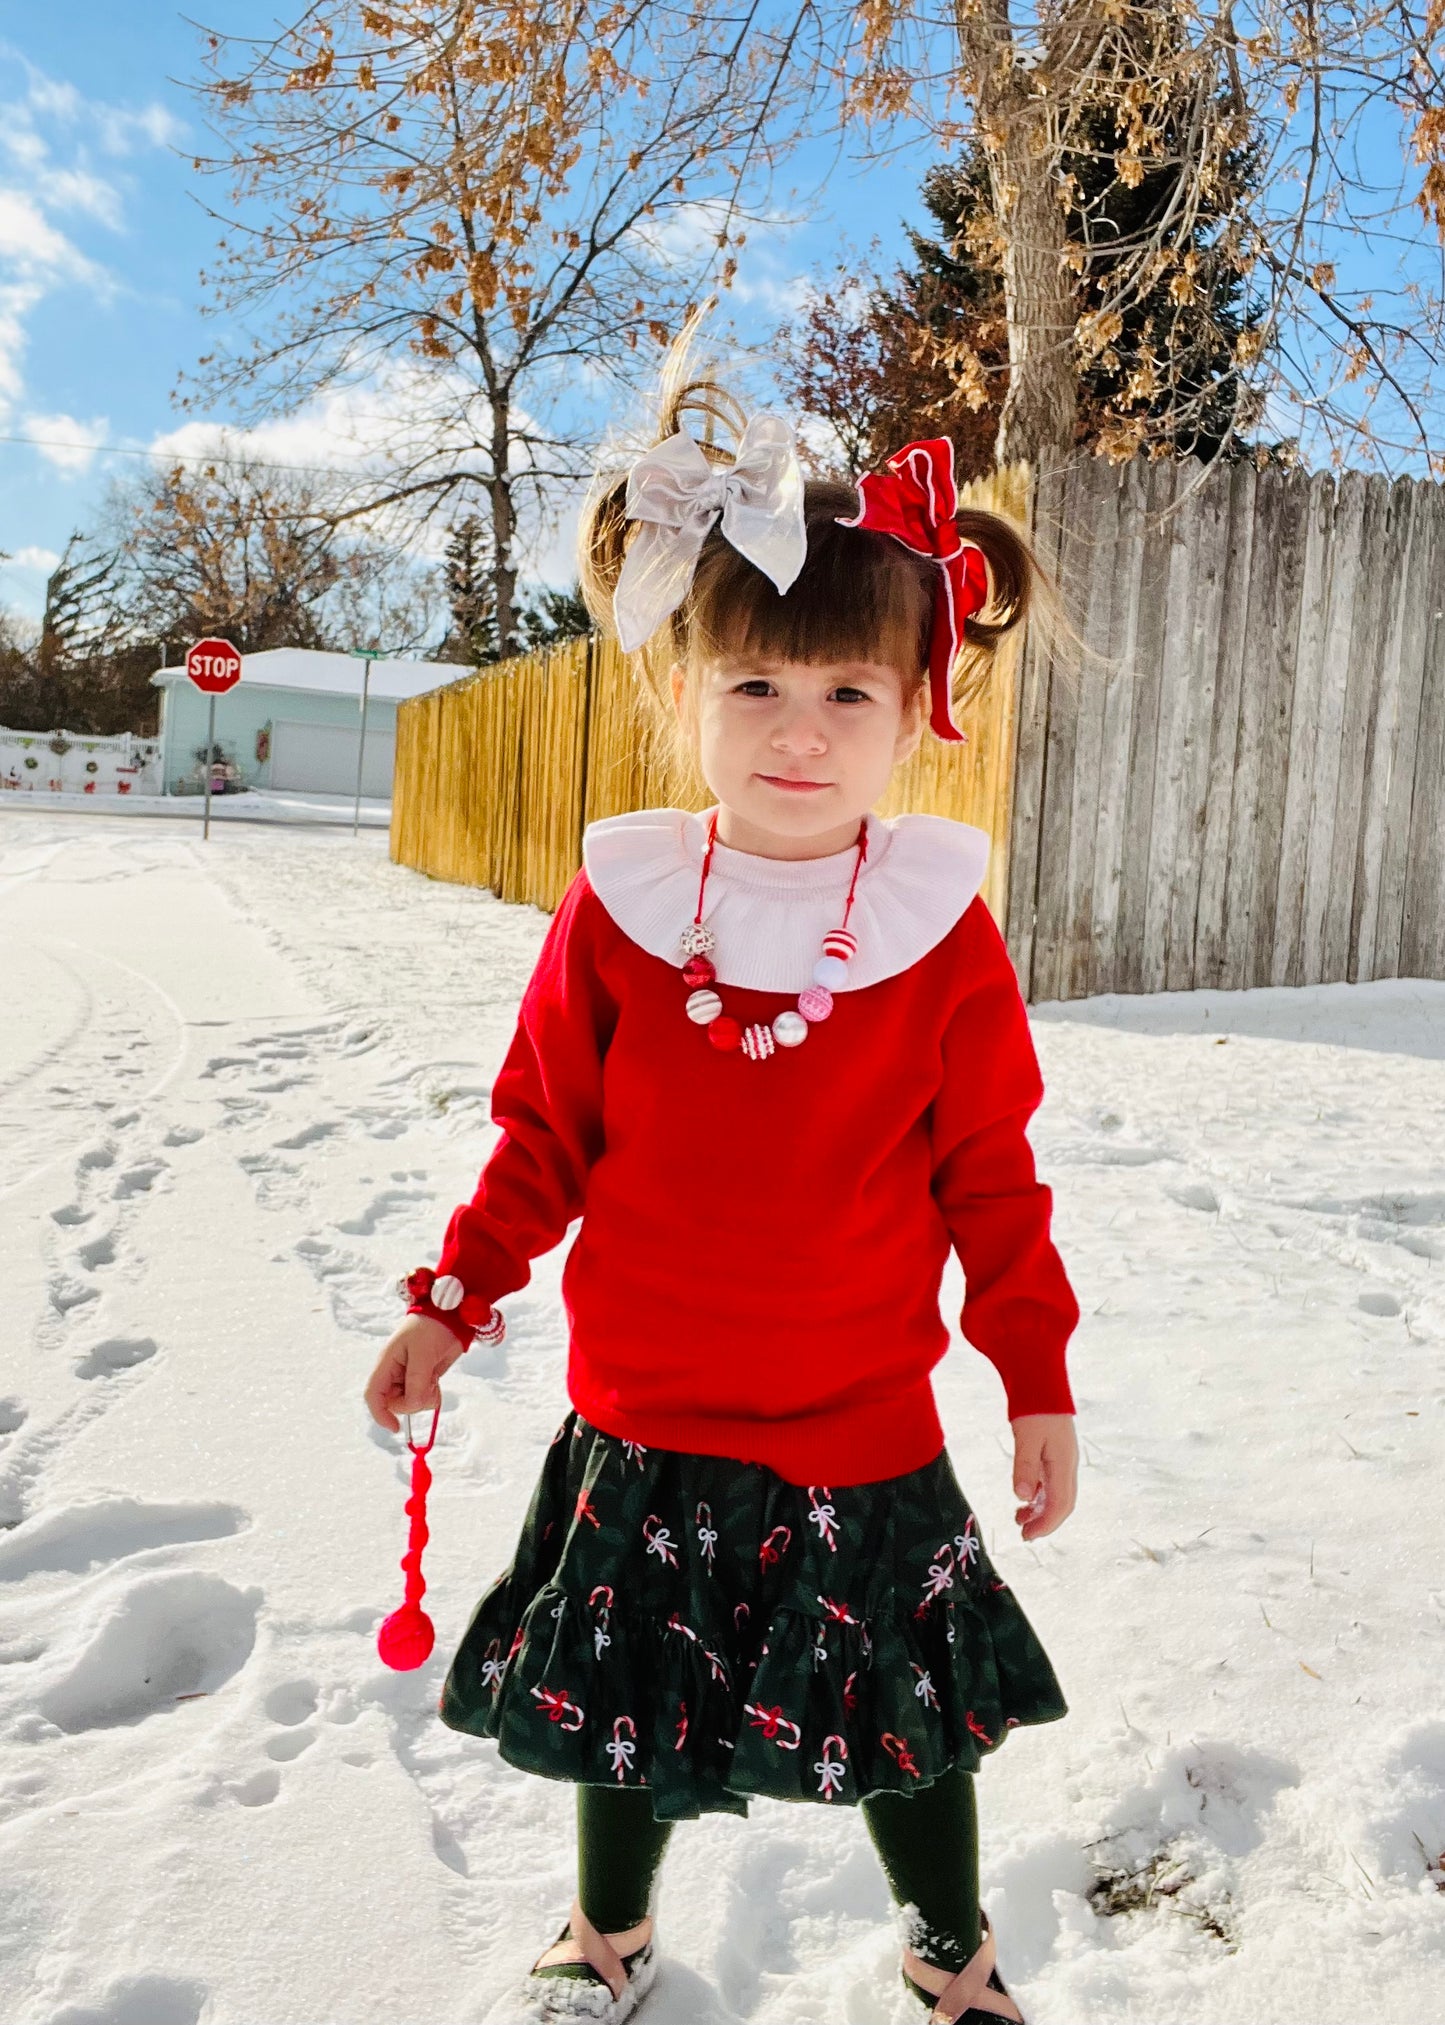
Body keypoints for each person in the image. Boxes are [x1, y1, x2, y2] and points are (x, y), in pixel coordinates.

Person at [363, 351, 1081, 2025]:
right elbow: (541, 1132)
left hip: (857, 1420)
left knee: (909, 1720)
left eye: (847, 694)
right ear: (681, 694)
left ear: (916, 716)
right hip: (649, 1404)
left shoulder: (937, 938)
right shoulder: (617, 910)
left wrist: (1032, 1378)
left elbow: (992, 1178)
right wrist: (449, 1299)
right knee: (623, 1704)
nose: (798, 731)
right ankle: (608, 1933)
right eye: (754, 685)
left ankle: (948, 1948)